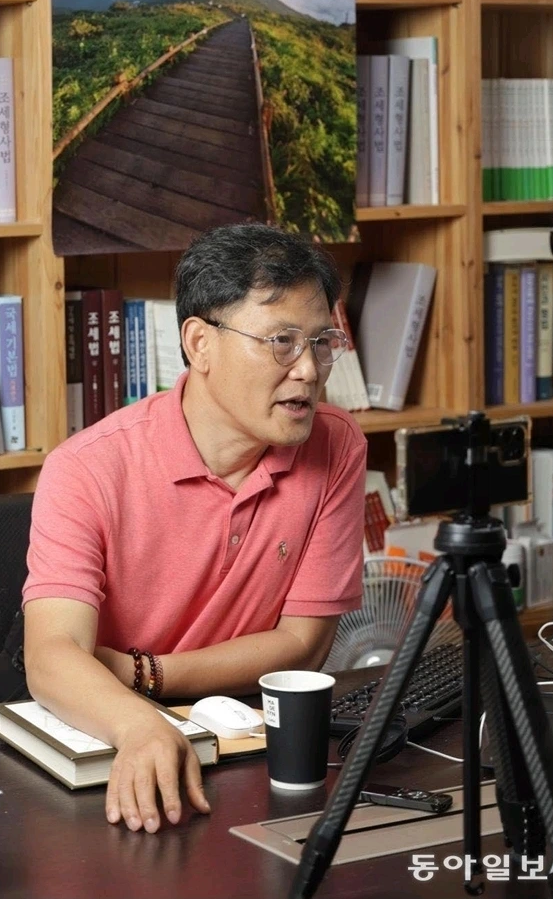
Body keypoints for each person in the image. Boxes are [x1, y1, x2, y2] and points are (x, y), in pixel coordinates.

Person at [23, 222, 367, 835]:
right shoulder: (87, 468)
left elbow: (303, 646)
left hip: (245, 741)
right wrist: (138, 720)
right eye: (281, 342)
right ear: (199, 343)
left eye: (321, 342)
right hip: (110, 739)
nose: (309, 371)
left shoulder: (336, 446)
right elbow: (52, 655)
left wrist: (145, 673)